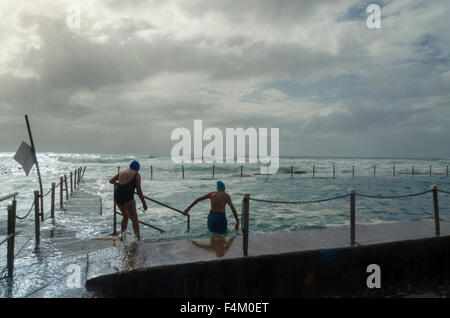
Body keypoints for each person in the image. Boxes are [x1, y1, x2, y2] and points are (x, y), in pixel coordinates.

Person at [109, 160, 148, 241]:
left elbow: (111, 181)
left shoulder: (121, 172)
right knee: (135, 220)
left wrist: (118, 184)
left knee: (126, 216)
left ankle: (122, 237)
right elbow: (139, 191)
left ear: (130, 166)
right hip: (127, 198)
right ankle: (137, 239)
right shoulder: (137, 175)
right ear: (138, 169)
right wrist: (144, 204)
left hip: (117, 196)